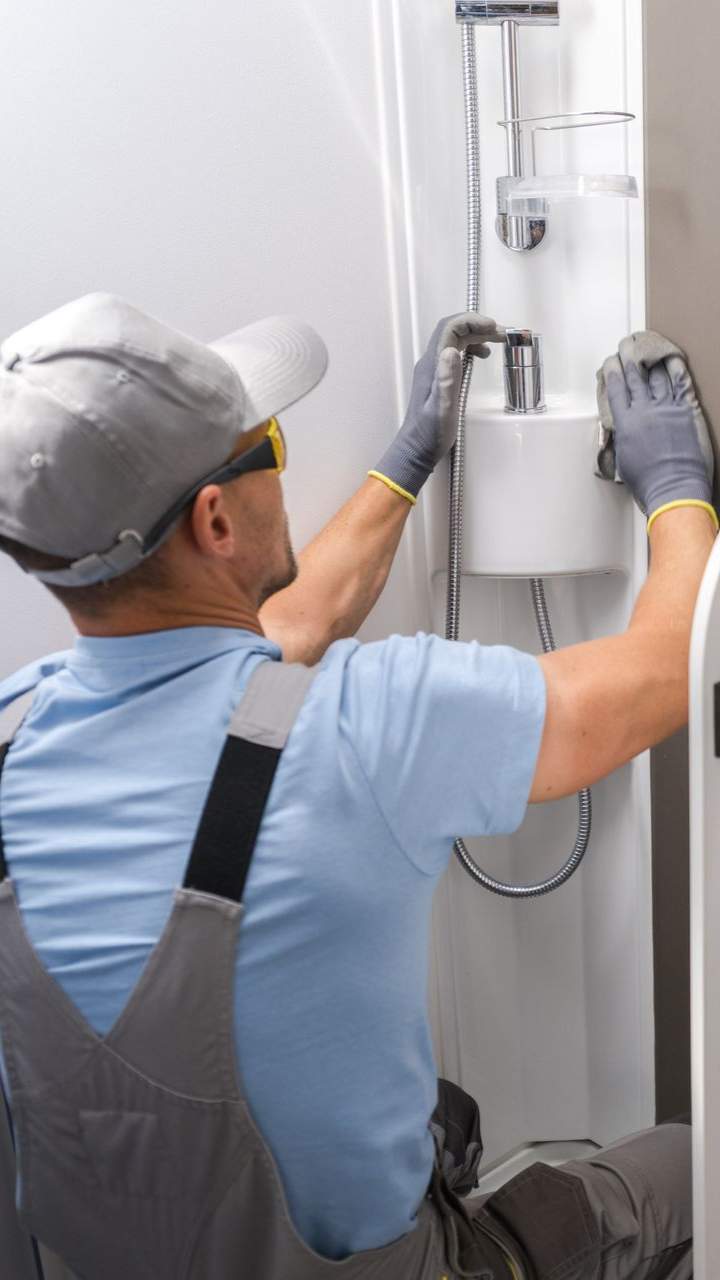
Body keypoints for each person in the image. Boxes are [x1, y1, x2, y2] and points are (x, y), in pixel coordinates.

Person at [0, 292, 712, 1280]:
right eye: (272, 446)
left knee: (442, 1111)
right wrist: (678, 491)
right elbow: (665, 668)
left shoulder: (15, 728)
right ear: (215, 517)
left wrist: (406, 460)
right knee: (693, 1161)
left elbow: (278, 628)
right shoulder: (363, 728)